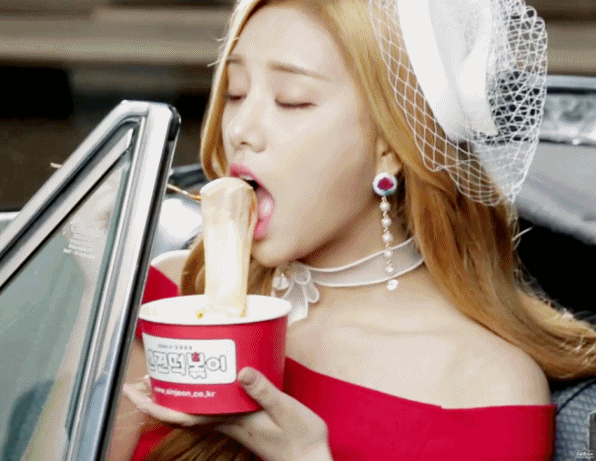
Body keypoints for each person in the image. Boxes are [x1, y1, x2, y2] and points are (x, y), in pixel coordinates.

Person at [115, 0, 596, 459]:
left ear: (390, 146)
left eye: (292, 100)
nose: (240, 128)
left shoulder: (485, 385)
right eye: (236, 92)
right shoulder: (172, 298)